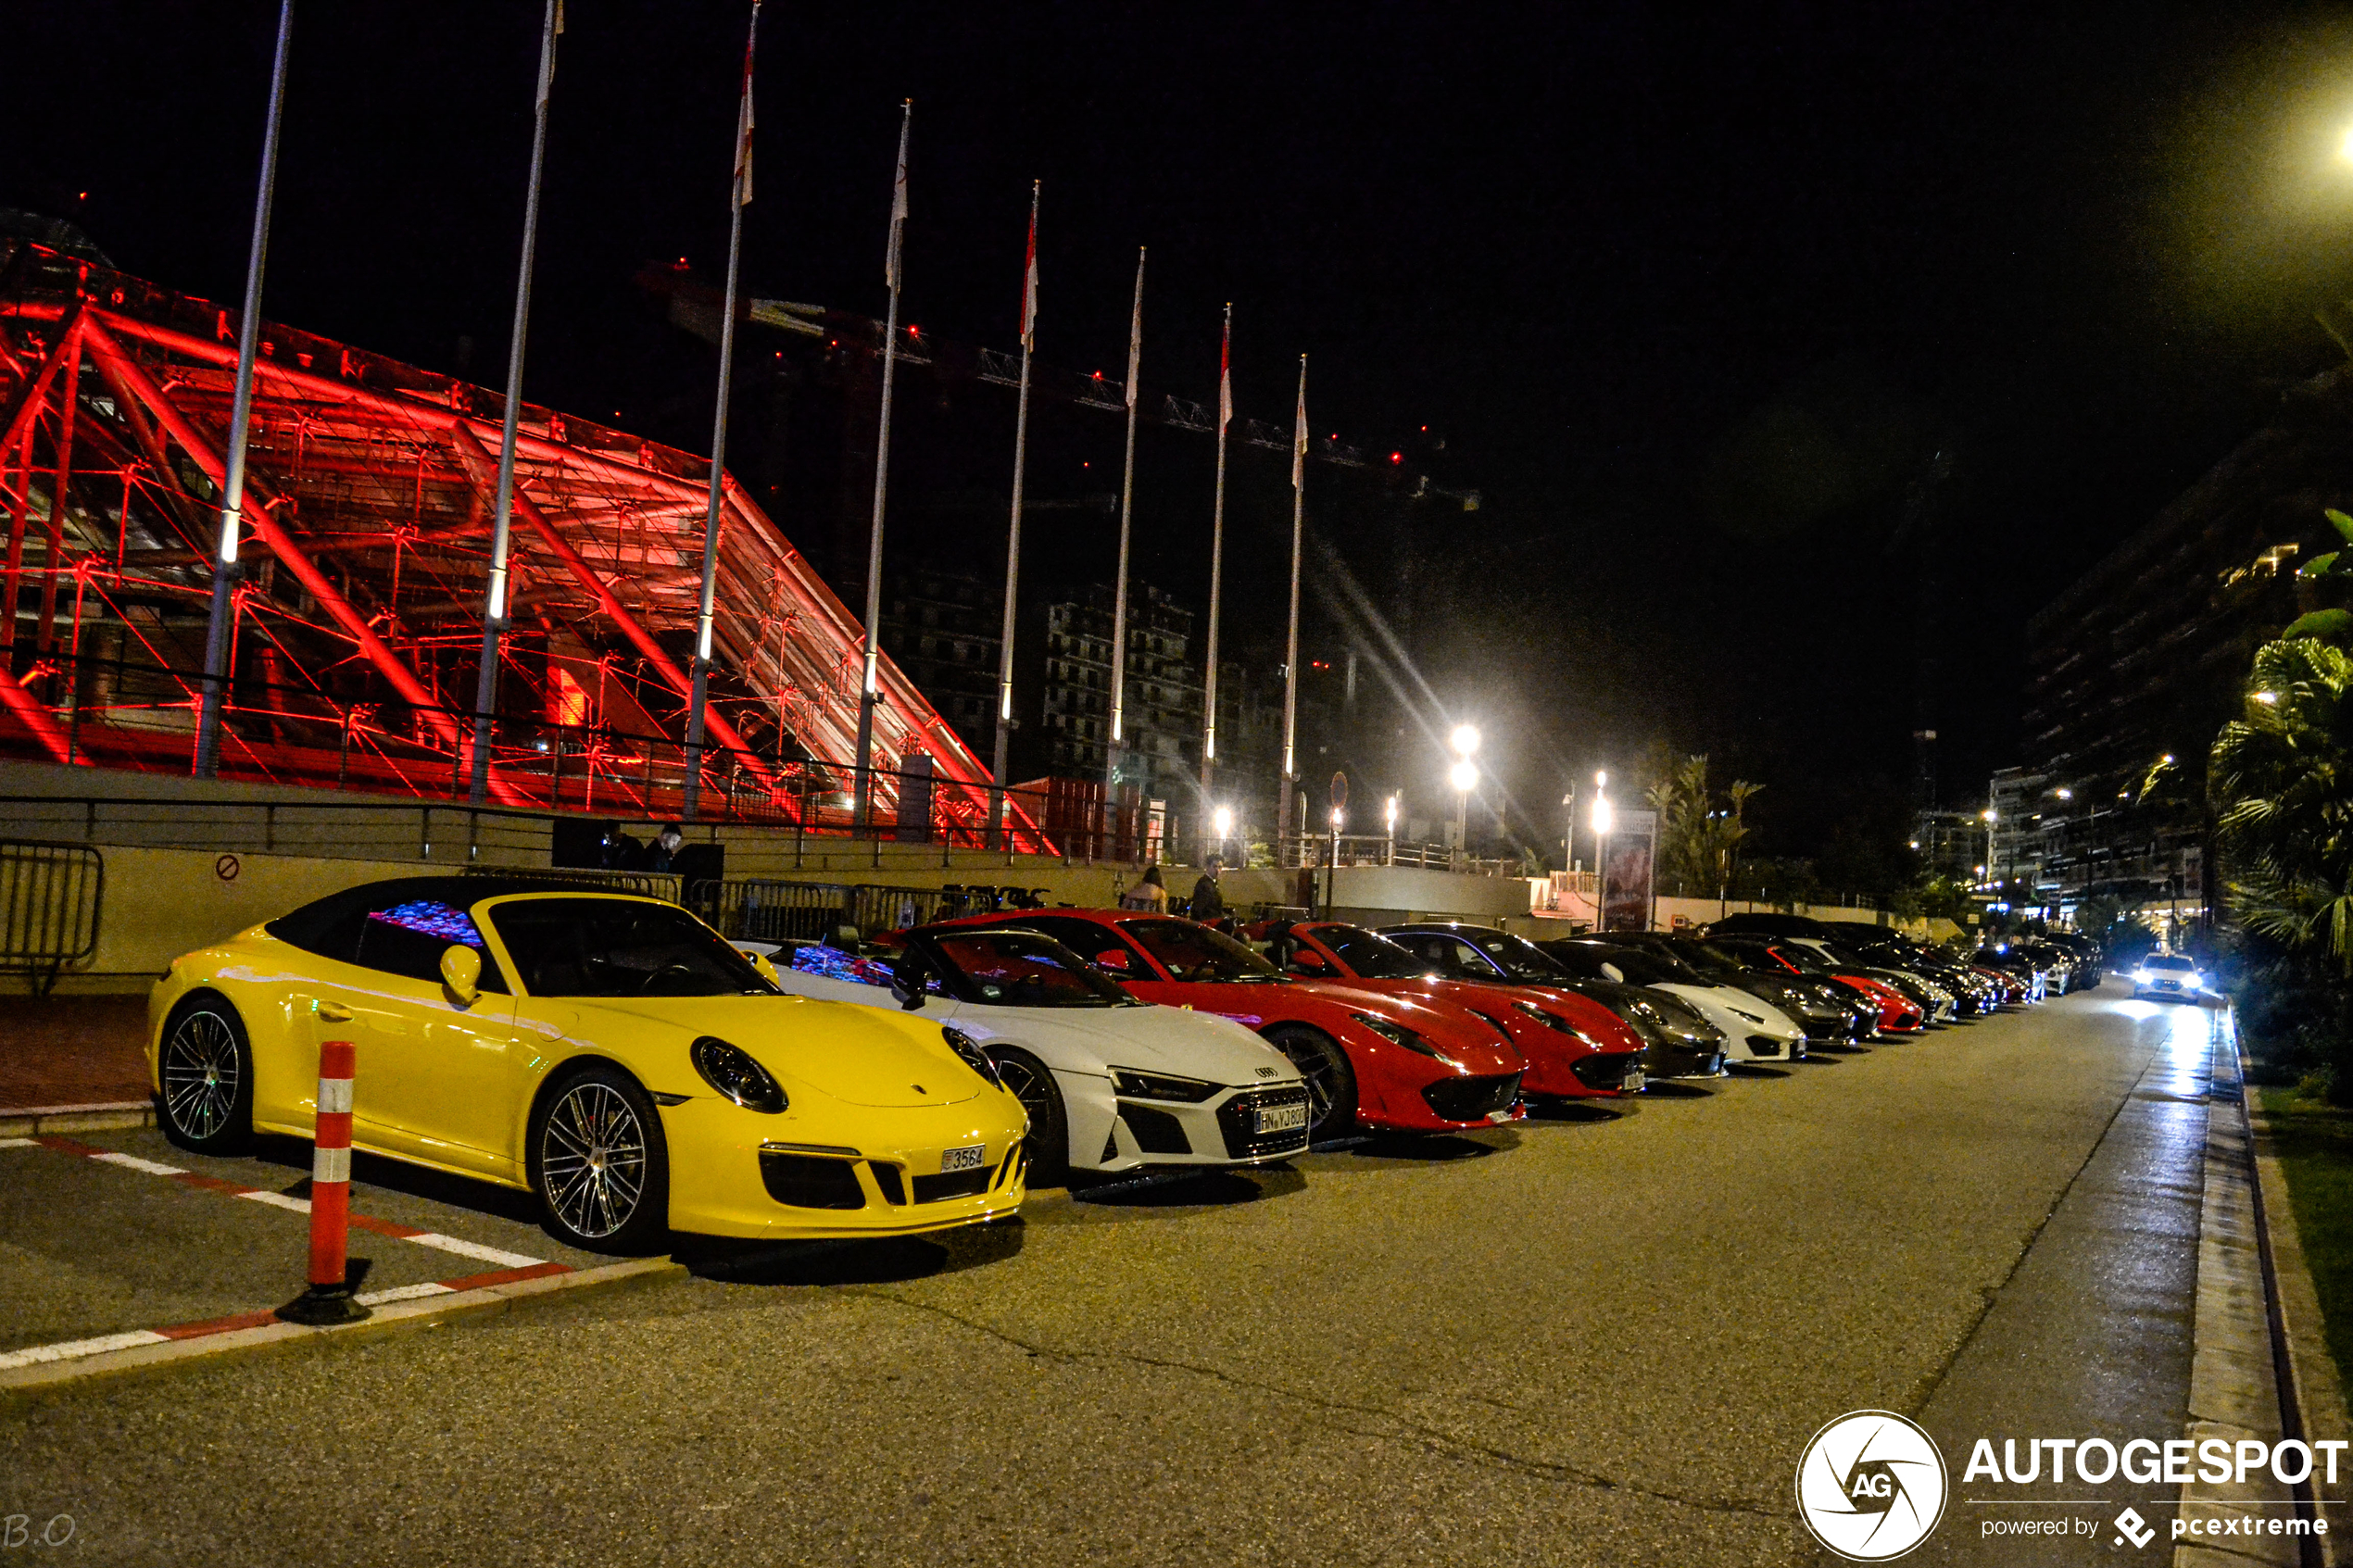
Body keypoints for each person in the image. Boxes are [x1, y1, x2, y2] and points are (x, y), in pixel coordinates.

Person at [1189, 856, 1227, 923]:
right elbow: (1200, 909)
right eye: (1215, 866)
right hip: (1208, 924)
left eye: (1220, 867)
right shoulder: (1204, 884)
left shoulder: (1212, 883)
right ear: (1207, 867)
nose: (1218, 870)